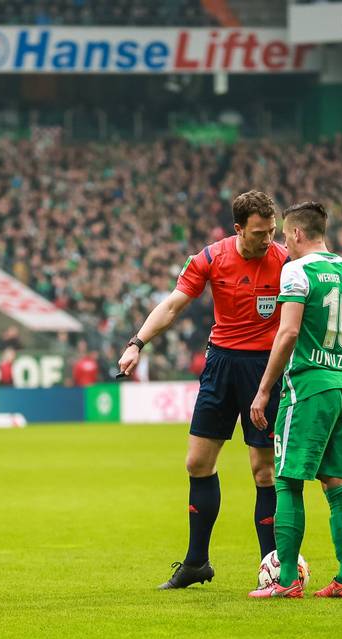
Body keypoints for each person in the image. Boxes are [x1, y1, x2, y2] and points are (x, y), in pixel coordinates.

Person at [118, 190, 289, 589]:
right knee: (197, 463)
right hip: (221, 365)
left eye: (272, 231)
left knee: (263, 471)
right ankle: (197, 563)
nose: (268, 240)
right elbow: (173, 305)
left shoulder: (286, 261)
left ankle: (273, 569)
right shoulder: (210, 259)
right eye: (260, 233)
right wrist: (136, 343)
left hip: (265, 369)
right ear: (238, 229)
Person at [247, 201, 342, 600]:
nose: (283, 243)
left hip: (307, 388)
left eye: (285, 235)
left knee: (286, 480)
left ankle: (285, 580)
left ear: (298, 233)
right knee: (337, 483)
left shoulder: (297, 271)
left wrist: (264, 389)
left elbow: (287, 335)